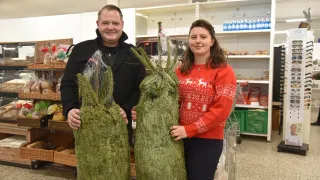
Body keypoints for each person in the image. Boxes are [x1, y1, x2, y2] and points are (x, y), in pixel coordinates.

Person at [132, 19, 237, 180]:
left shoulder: (223, 71)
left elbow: (221, 110)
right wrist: (145, 111)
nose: (198, 41)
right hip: (177, 137)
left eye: (203, 37)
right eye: (193, 37)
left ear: (212, 41)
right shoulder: (181, 71)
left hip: (206, 141)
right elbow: (169, 102)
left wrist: (189, 130)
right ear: (189, 41)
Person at [60, 4, 146, 145]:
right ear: (98, 24)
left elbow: (140, 89)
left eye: (115, 23)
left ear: (122, 25)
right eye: (105, 23)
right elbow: (68, 83)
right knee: (89, 166)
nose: (110, 27)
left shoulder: (134, 53)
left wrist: (127, 109)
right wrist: (70, 108)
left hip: (120, 125)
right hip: (87, 125)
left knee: (119, 165)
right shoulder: (81, 50)